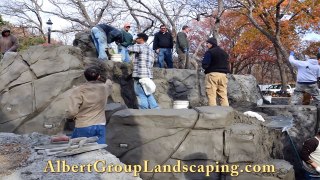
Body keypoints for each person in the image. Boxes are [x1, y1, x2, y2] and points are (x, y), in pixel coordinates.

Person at [66, 66, 113, 144]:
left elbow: (72, 112)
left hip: (83, 125)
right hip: (100, 125)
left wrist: (70, 117)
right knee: (99, 151)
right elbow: (109, 84)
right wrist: (107, 78)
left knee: (78, 150)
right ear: (98, 76)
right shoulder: (105, 88)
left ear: (85, 77)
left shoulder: (79, 90)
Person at [128, 33, 159, 109]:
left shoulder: (140, 46)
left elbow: (128, 48)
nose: (136, 39)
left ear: (141, 39)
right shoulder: (150, 50)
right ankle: (155, 109)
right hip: (148, 75)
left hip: (140, 75)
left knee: (140, 94)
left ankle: (143, 111)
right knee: (148, 93)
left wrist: (133, 42)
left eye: (137, 38)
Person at [202, 37, 229, 106]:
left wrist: (205, 68)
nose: (206, 45)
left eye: (207, 43)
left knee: (211, 95)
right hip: (223, 76)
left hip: (212, 75)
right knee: (223, 95)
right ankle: (226, 113)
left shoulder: (210, 52)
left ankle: (213, 114)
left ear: (211, 44)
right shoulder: (224, 53)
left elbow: (205, 64)